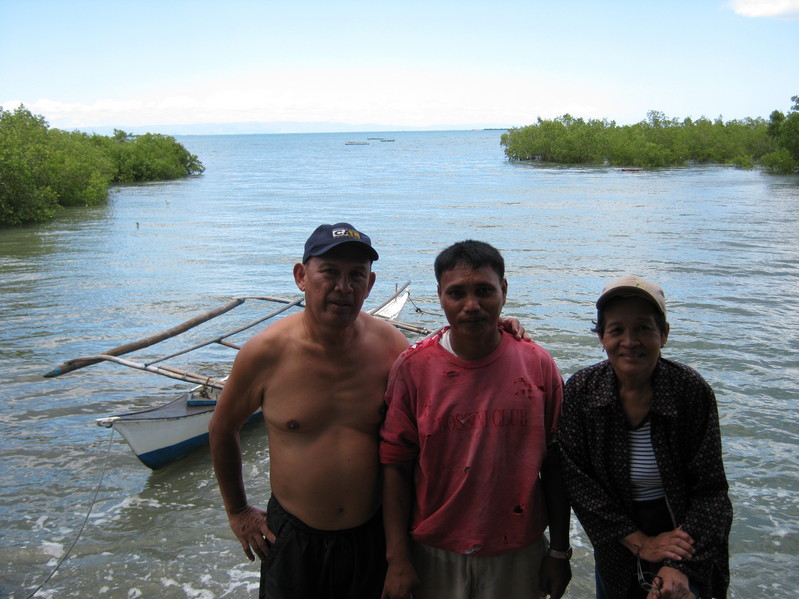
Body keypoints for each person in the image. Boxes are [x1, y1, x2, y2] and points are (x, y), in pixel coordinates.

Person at [209, 224, 529, 599]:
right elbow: (222, 428)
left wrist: (497, 330)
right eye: (329, 272)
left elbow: (445, 366)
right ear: (301, 276)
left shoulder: (391, 346)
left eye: (356, 275)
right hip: (295, 536)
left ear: (371, 283)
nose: (343, 286)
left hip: (374, 534)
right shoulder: (265, 353)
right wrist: (238, 511)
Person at [379, 240, 572, 599]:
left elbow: (557, 464)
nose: (472, 305)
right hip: (434, 549)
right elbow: (396, 466)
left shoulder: (537, 364)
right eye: (457, 293)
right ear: (439, 295)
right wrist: (398, 559)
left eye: (484, 291)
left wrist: (559, 551)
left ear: (504, 290)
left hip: (519, 548)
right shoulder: (413, 369)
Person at [557, 275, 732, 599]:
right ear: (601, 337)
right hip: (617, 543)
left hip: (687, 542)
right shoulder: (582, 390)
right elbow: (578, 481)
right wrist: (640, 542)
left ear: (663, 334)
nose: (630, 341)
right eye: (617, 330)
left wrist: (679, 564)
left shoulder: (689, 392)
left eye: (643, 328)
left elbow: (711, 491)